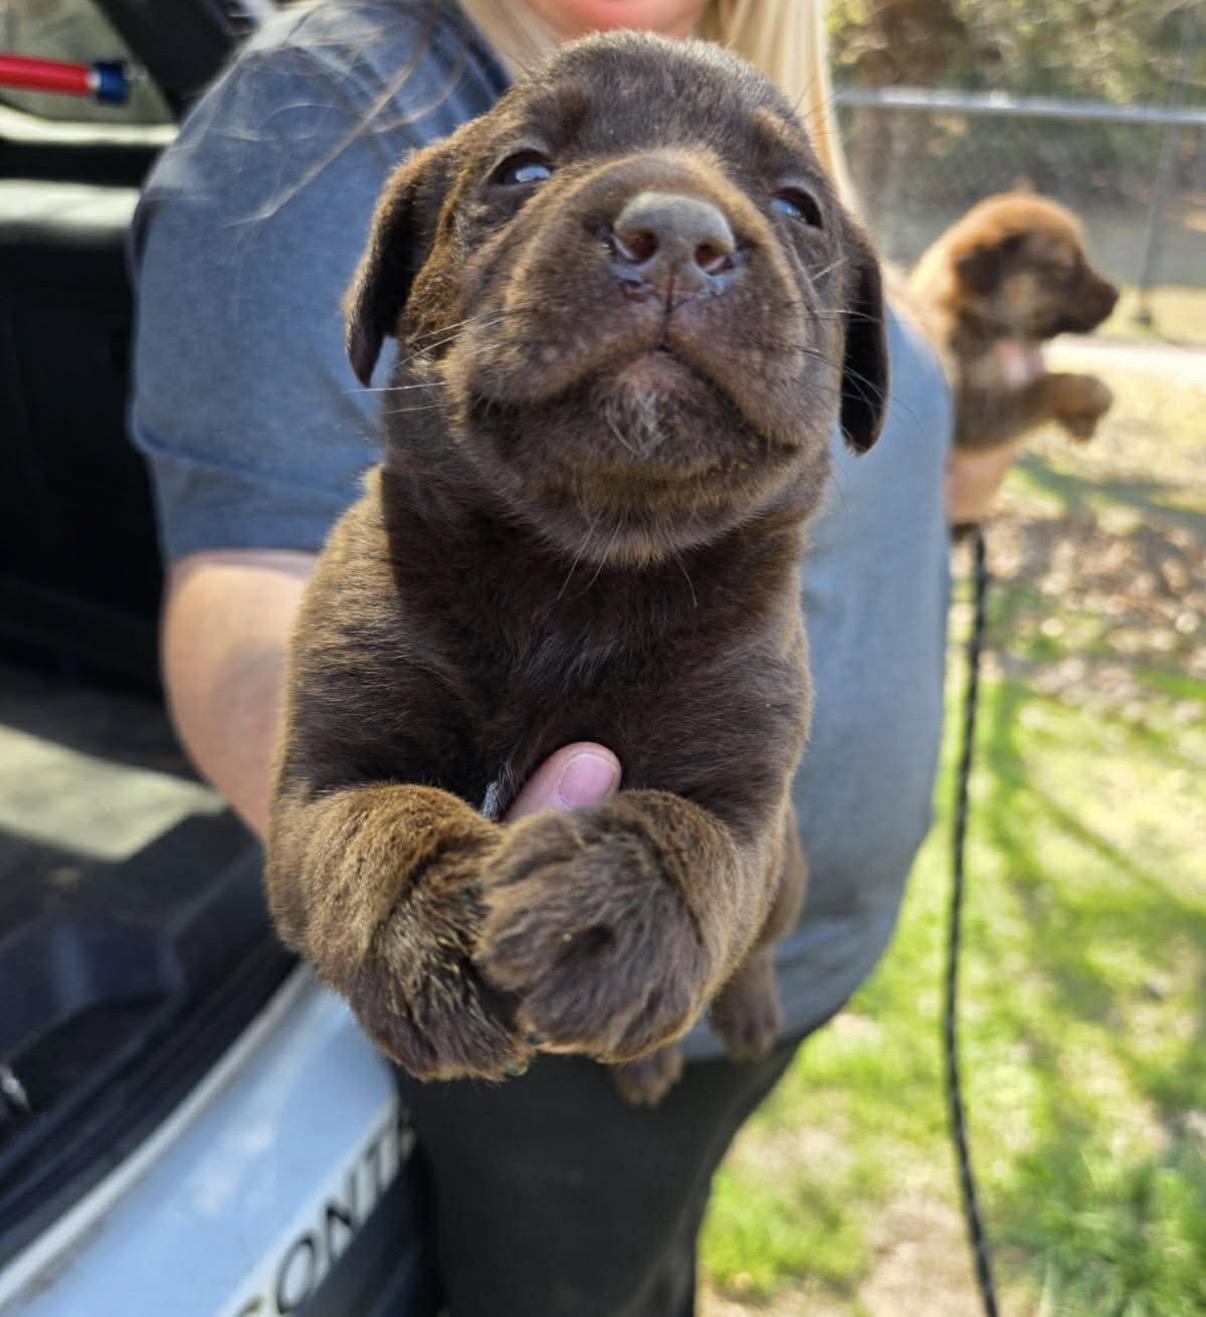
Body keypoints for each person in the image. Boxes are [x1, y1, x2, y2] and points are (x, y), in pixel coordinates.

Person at [129, 2, 1018, 1313]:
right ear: (385, 294)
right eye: (525, 175)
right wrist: (401, 857)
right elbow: (254, 597)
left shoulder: (777, 78)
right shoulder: (329, 102)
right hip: (555, 1019)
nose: (684, 226)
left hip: (787, 958)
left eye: (786, 210)